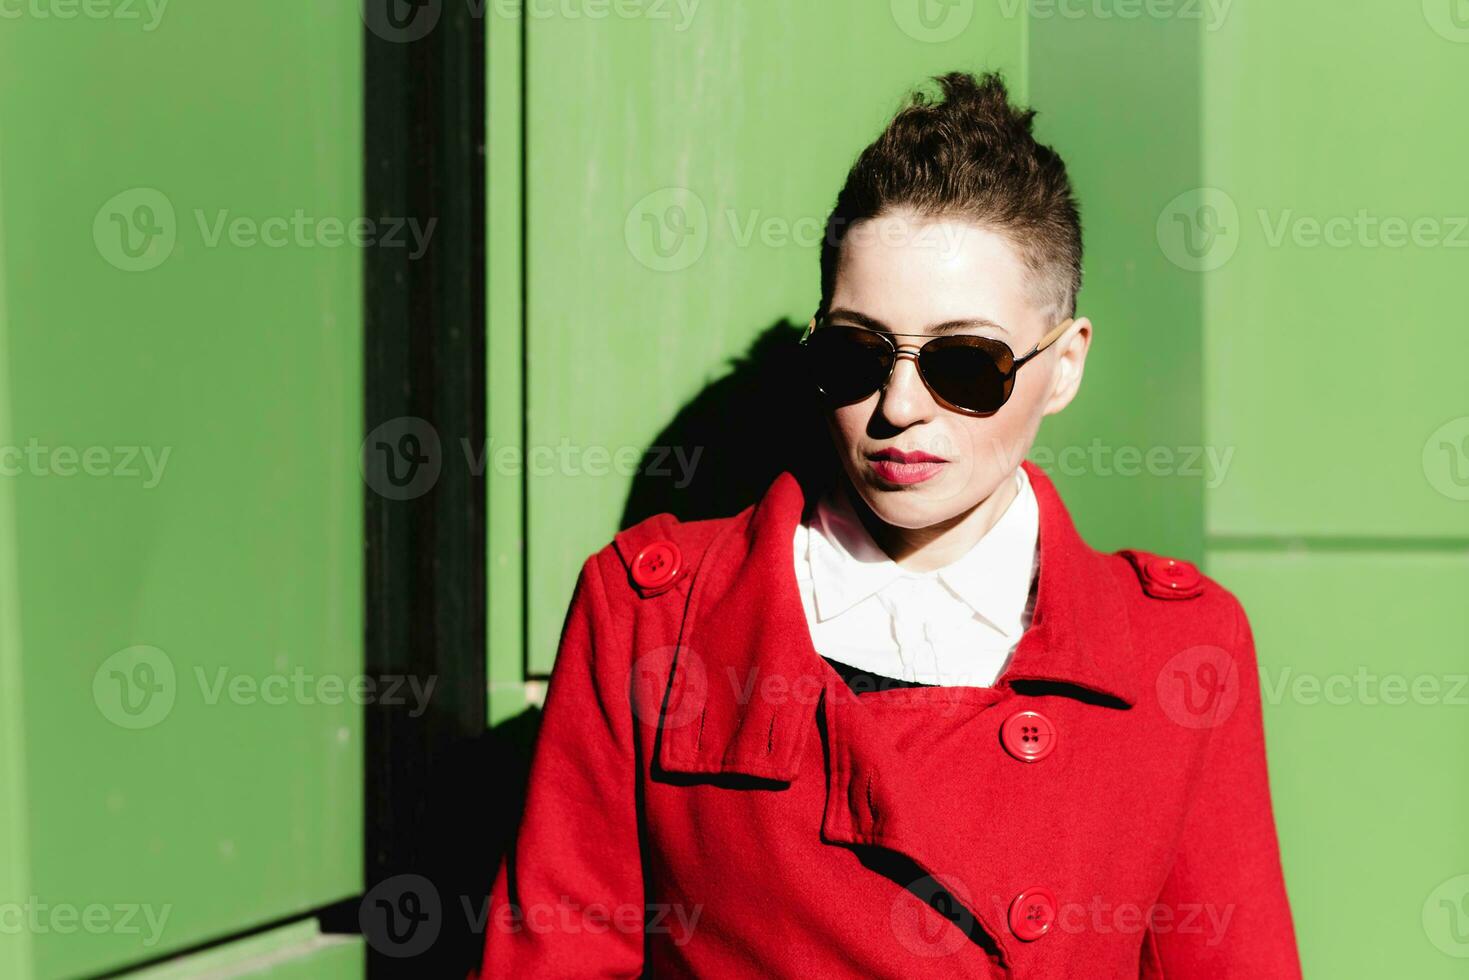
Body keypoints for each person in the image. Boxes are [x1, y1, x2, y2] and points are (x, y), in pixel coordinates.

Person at [481, 70, 1300, 978]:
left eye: (964, 363)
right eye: (855, 353)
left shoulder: (1174, 650)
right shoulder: (649, 618)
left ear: (1062, 365)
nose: (898, 405)